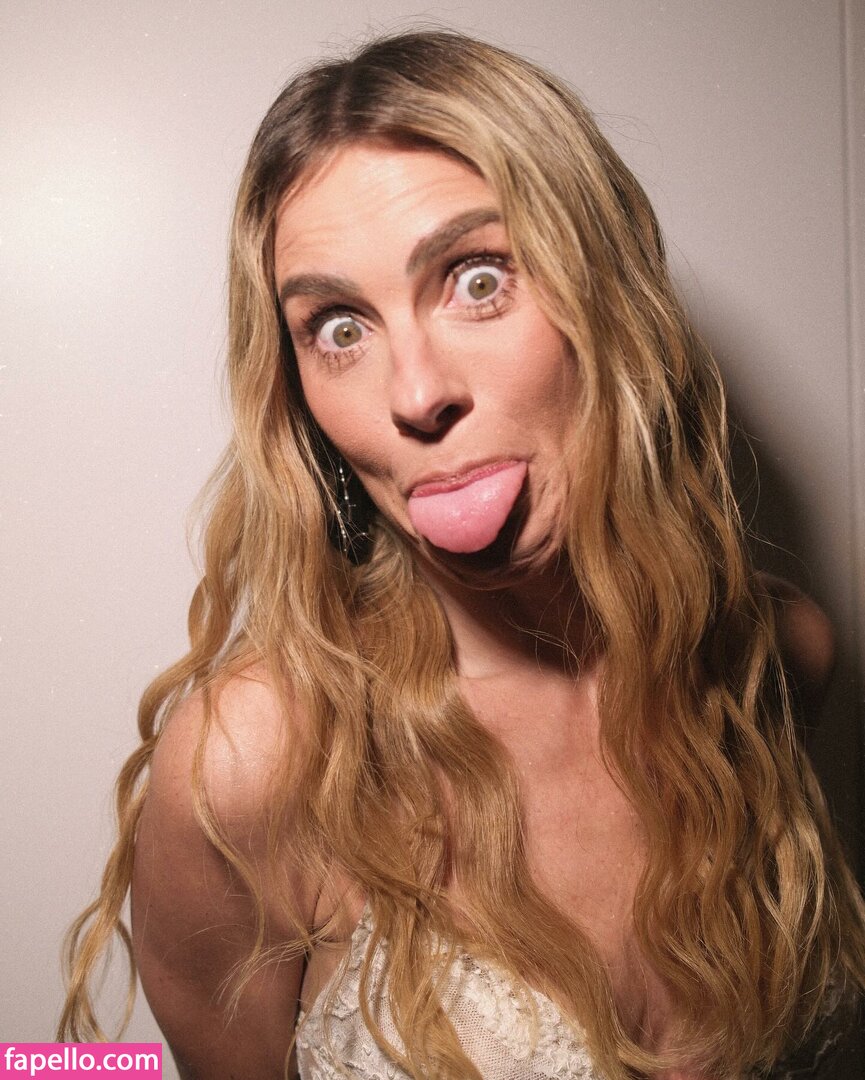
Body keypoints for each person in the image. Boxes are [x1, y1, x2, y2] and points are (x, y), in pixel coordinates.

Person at [59, 30, 865, 1080]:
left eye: (477, 279)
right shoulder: (256, 765)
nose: (414, 393)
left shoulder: (774, 659)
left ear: (609, 298)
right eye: (339, 328)